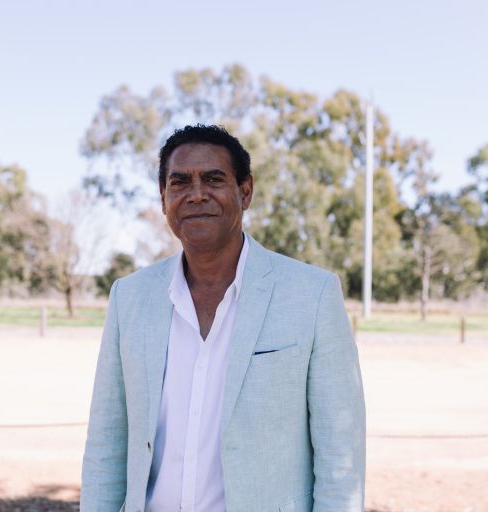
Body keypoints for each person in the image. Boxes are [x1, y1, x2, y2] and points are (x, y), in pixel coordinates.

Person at [80, 125, 365, 512]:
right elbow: (107, 444)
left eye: (214, 179)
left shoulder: (312, 294)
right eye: (180, 182)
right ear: (164, 198)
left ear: (244, 192)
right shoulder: (129, 297)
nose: (196, 193)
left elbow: (340, 456)